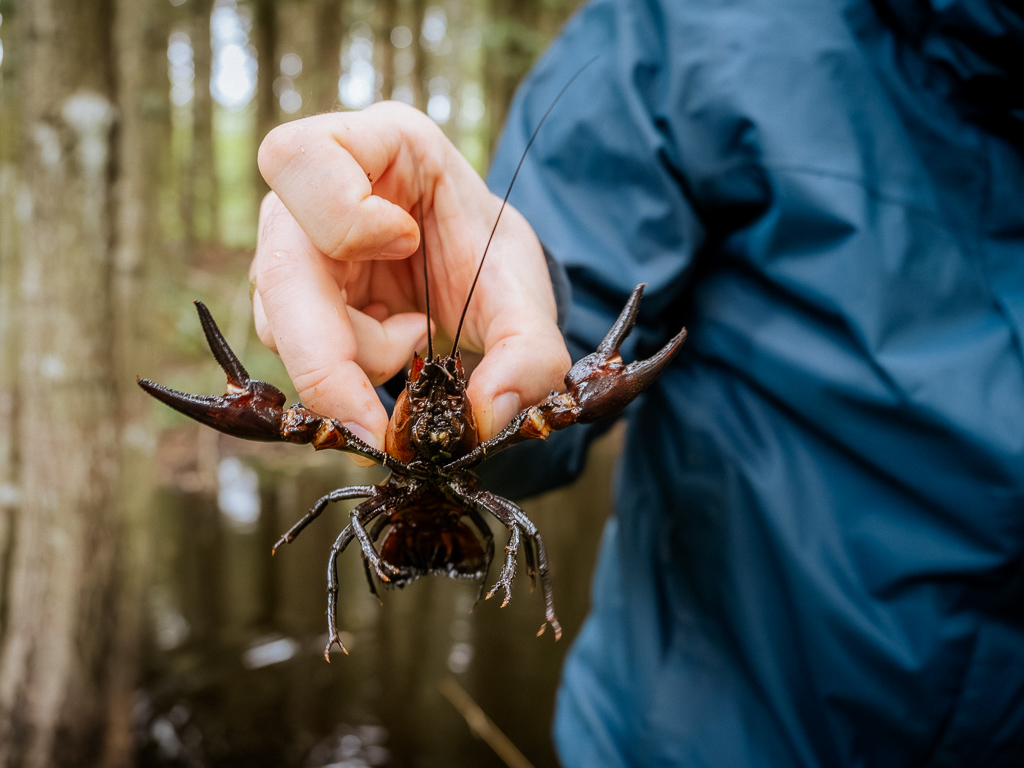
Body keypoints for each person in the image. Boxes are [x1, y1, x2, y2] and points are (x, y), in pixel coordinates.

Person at [249, 0, 1024, 763]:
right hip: (709, 738)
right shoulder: (682, 34)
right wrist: (385, 368)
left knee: (507, 536)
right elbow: (555, 353)